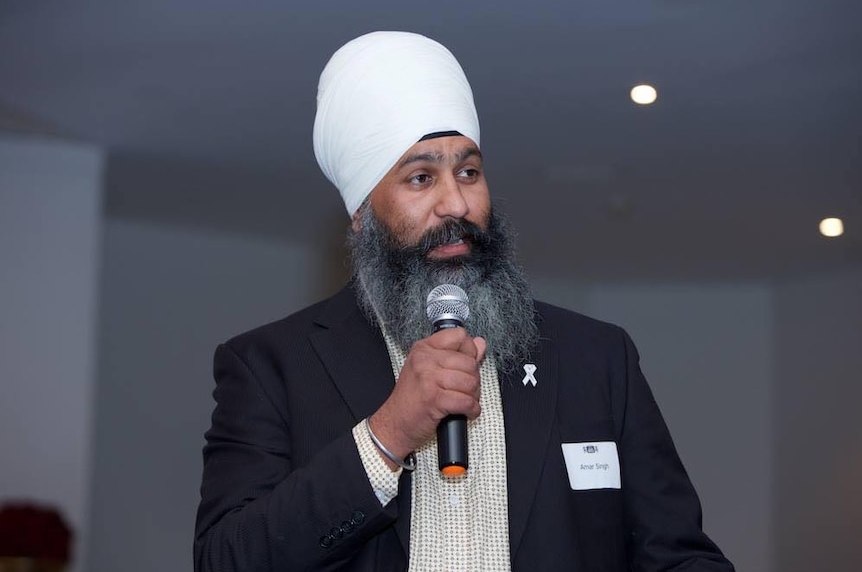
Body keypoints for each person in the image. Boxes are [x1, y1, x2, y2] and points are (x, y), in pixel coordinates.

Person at [194, 31, 735, 572]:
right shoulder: (273, 366)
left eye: (469, 172)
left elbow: (677, 556)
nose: (455, 202)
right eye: (421, 177)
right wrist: (389, 434)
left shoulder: (596, 357)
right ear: (361, 215)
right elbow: (227, 560)